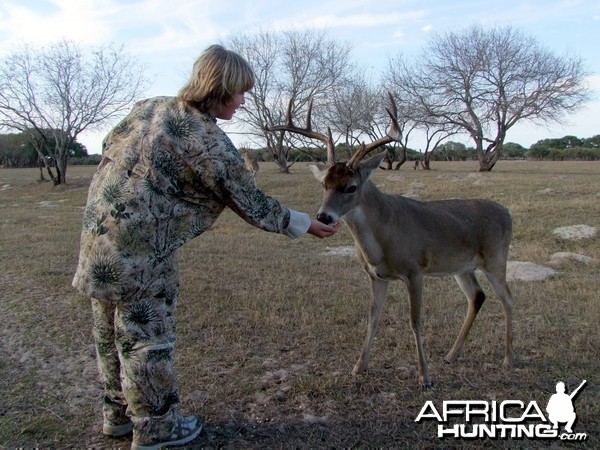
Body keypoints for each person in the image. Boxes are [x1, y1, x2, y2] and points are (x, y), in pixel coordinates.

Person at [72, 44, 340, 450]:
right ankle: (157, 429)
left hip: (97, 239)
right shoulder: (209, 141)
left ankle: (118, 415)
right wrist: (305, 224)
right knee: (146, 337)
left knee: (108, 331)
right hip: (143, 250)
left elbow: (112, 144)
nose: (244, 100)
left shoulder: (151, 107)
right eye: (239, 92)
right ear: (219, 88)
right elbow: (253, 203)